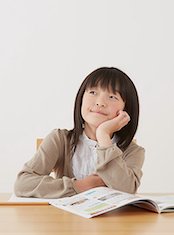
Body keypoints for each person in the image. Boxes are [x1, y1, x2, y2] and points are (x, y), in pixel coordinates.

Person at [14, 67, 145, 198]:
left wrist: (103, 134)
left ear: (126, 109)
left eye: (112, 96)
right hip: (64, 218)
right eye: (93, 92)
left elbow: (127, 191)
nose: (100, 102)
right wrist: (80, 185)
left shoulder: (133, 151)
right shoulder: (60, 139)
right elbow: (22, 184)